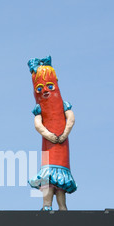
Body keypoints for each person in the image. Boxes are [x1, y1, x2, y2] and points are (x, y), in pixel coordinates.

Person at [28, 56, 77, 210]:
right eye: (40, 88)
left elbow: (71, 119)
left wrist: (64, 134)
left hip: (61, 151)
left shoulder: (63, 105)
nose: (46, 91)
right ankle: (47, 205)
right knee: (48, 181)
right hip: (49, 149)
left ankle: (62, 207)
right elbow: (38, 125)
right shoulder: (40, 108)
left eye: (50, 86)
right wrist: (49, 135)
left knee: (60, 184)